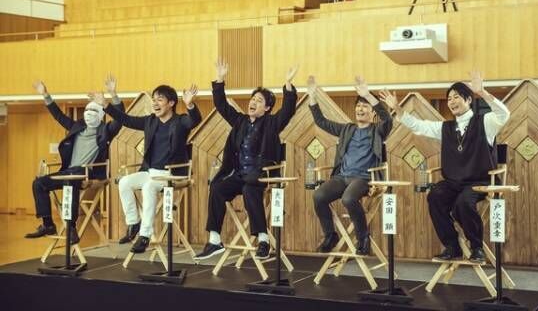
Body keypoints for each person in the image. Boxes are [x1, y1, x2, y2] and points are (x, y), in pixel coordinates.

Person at [379, 71, 510, 263]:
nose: (452, 101)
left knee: (463, 204)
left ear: (468, 100)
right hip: (453, 182)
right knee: (435, 196)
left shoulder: (485, 122)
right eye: (449, 98)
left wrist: (482, 92)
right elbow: (418, 126)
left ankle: (477, 248)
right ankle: (452, 246)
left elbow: (504, 114)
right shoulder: (446, 128)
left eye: (456, 97)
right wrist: (397, 108)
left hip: (479, 181)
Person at [195, 61, 298, 260]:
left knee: (250, 188)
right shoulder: (240, 121)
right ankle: (215, 240)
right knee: (217, 188)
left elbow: (287, 110)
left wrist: (288, 85)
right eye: (252, 99)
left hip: (261, 175)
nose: (253, 102)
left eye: (259, 100)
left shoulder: (272, 123)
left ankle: (263, 240)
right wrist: (220, 80)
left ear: (267, 108)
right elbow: (222, 106)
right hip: (240, 175)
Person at [90, 77, 201, 253]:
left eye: (160, 100)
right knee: (125, 182)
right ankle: (134, 223)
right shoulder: (150, 121)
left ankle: (145, 236)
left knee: (149, 187)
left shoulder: (180, 121)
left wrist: (190, 105)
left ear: (171, 103)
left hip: (171, 174)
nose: (155, 103)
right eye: (154, 99)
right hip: (150, 172)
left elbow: (195, 120)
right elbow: (125, 119)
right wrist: (106, 104)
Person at [26, 78, 124, 244]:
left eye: (93, 110)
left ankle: (71, 227)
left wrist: (113, 95)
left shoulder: (106, 130)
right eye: (87, 110)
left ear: (101, 114)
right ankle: (48, 224)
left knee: (71, 180)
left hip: (87, 173)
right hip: (68, 172)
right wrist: (45, 95)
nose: (89, 113)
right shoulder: (76, 127)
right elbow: (58, 116)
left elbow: (121, 118)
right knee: (39, 183)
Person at [308, 75, 392, 255]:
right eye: (358, 105)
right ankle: (330, 236)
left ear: (373, 113)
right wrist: (312, 97)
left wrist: (368, 95)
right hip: (342, 177)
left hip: (364, 178)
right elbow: (321, 121)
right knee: (318, 196)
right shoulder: (347, 129)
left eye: (365, 106)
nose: (360, 109)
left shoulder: (378, 130)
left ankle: (363, 238)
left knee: (348, 198)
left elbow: (388, 119)